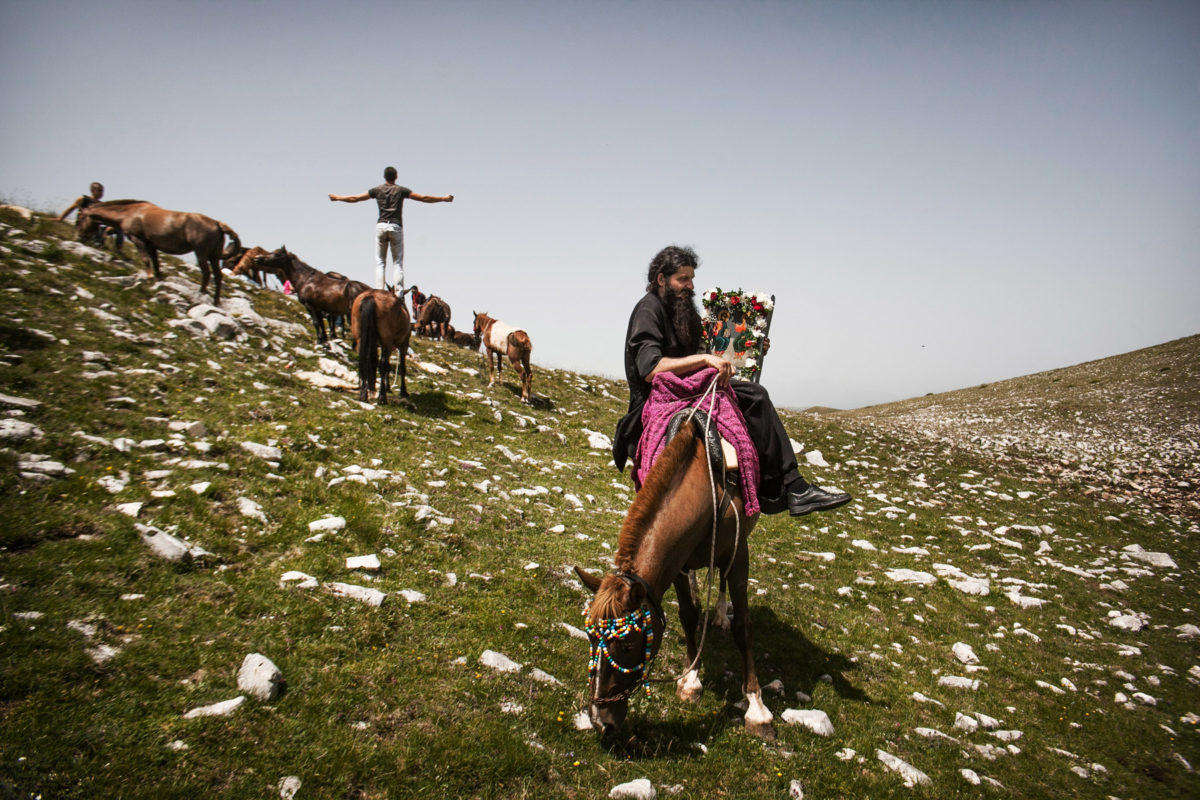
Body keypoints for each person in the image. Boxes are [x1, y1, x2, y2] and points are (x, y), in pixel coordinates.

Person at [613, 245, 851, 517]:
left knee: (750, 396)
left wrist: (749, 348)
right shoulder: (649, 309)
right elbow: (651, 368)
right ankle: (791, 487)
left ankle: (785, 486)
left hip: (689, 387)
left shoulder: (679, 309)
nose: (690, 286)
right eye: (682, 279)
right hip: (661, 397)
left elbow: (708, 350)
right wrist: (704, 362)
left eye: (691, 279)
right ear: (661, 279)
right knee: (756, 397)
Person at [328, 166, 454, 292]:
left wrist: (337, 197)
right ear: (396, 177)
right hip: (396, 226)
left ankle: (379, 290)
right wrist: (443, 199)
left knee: (380, 262)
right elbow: (423, 198)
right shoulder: (401, 190)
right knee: (397, 263)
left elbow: (355, 198)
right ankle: (399, 293)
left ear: (384, 177)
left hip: (381, 226)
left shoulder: (377, 190)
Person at [59, 181, 124, 254]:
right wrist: (60, 218)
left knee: (119, 229)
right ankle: (95, 241)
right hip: (84, 226)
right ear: (93, 190)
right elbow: (71, 208)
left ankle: (118, 251)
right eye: (99, 190)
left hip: (96, 228)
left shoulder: (102, 205)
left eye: (102, 191)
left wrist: (109, 226)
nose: (101, 193)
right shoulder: (84, 199)